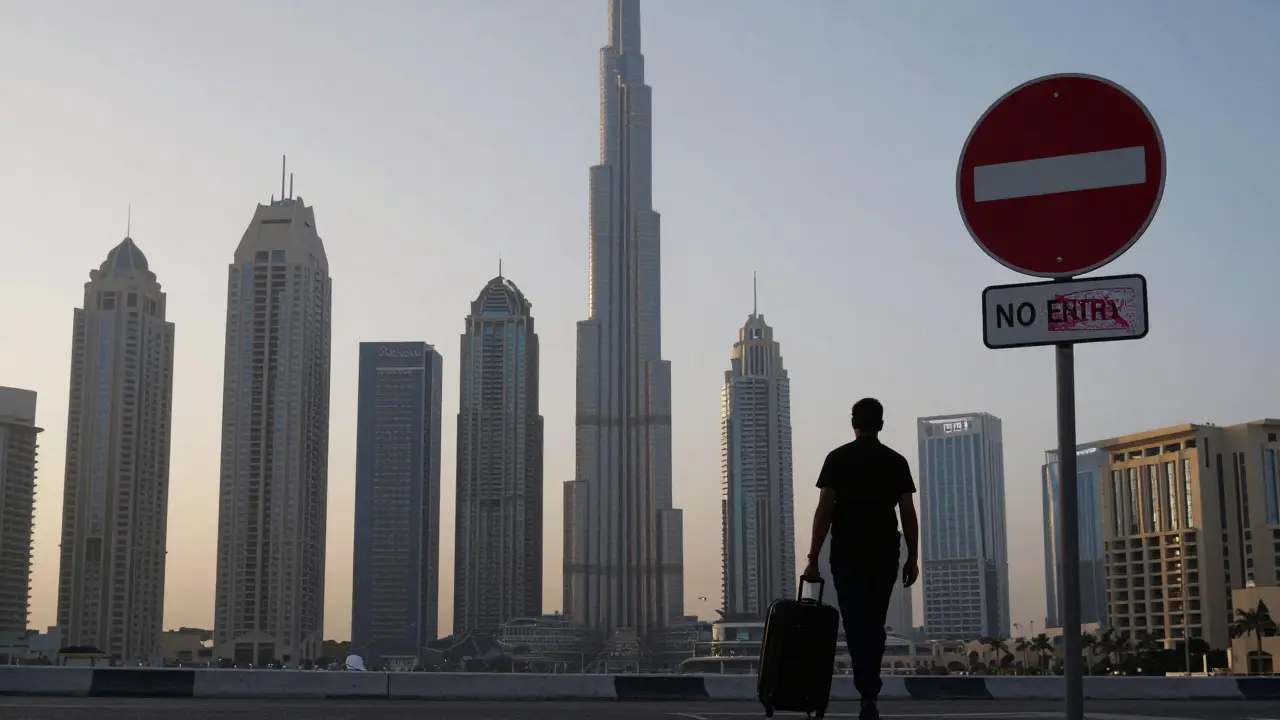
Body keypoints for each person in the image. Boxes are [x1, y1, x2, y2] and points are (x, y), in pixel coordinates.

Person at [802, 397, 919, 720]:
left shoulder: (837, 459)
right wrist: (913, 558)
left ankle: (867, 690)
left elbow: (824, 511)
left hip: (847, 553)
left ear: (853, 423)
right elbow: (908, 513)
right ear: (881, 424)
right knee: (874, 624)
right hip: (884, 552)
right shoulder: (896, 461)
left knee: (855, 624)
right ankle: (870, 691)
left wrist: (813, 558)